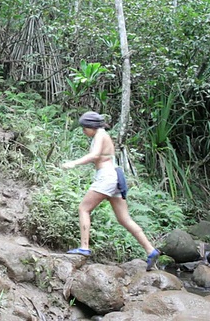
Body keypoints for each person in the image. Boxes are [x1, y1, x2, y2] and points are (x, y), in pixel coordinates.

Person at [61, 111, 160, 271]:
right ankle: (151, 250)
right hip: (115, 176)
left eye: (84, 128)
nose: (83, 131)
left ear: (91, 126)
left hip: (107, 176)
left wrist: (73, 163)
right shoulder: (102, 134)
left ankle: (84, 248)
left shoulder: (100, 134)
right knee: (125, 219)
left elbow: (95, 155)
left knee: (84, 208)